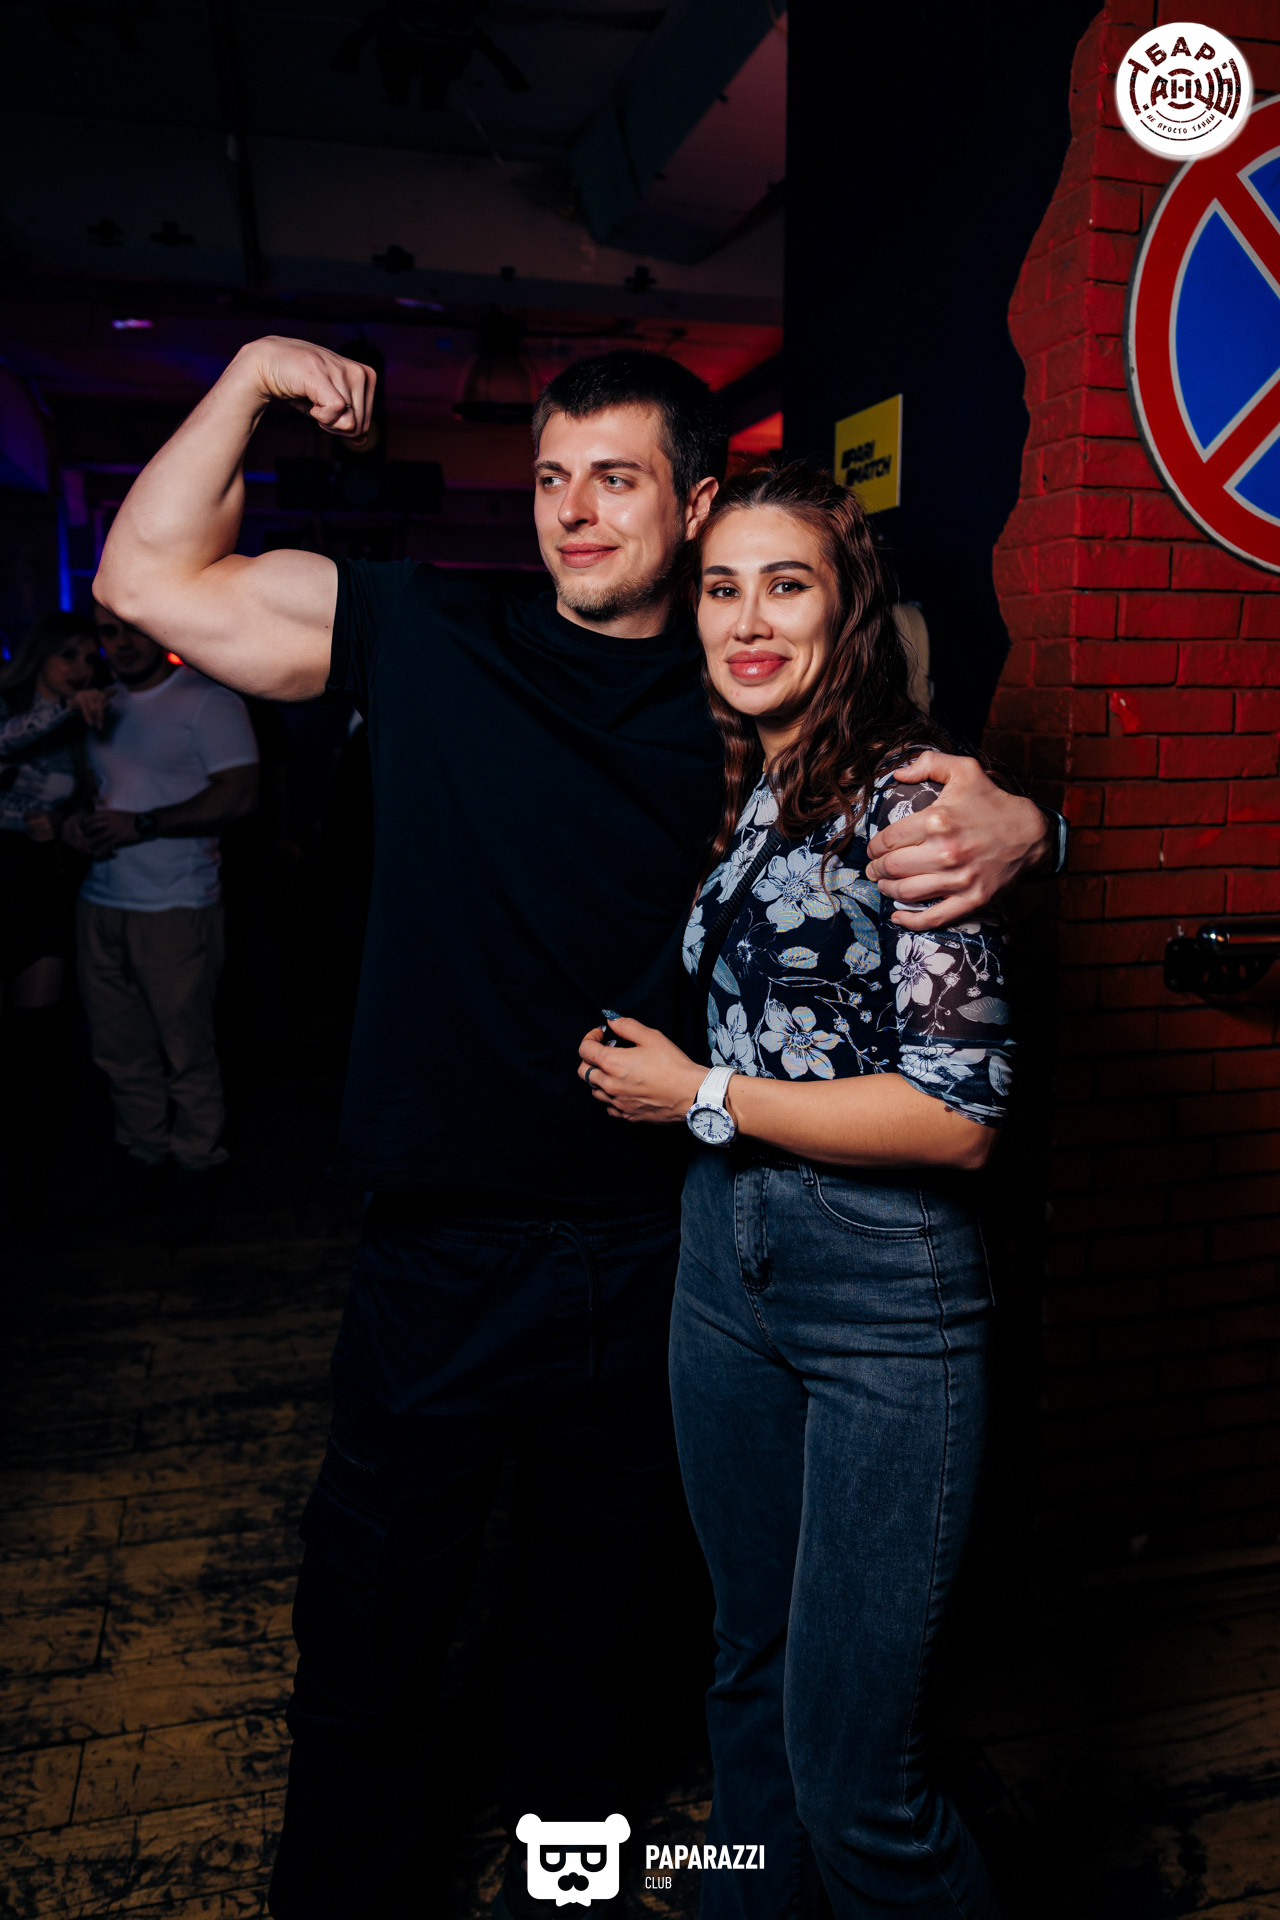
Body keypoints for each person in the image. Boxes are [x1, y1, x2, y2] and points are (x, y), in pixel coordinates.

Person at [90, 336, 1061, 1920]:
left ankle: (575, 1892)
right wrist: (255, 375)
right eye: (552, 478)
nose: (574, 511)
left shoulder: (747, 692)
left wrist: (1033, 825)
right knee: (375, 1623)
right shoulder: (426, 629)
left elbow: (910, 793)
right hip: (445, 1243)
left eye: (615, 479)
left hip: (665, 1253)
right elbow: (144, 577)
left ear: (695, 505)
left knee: (596, 1641)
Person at [576, 464, 1011, 1918]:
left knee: (855, 1780)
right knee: (747, 1674)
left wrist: (698, 1093)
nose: (747, 619)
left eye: (786, 584)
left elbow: (959, 1114)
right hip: (725, 1260)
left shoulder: (914, 796)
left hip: (882, 1289)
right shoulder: (752, 781)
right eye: (722, 587)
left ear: (849, 610)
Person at [61, 612, 259, 1241]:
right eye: (107, 632)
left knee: (186, 1050)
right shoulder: (100, 704)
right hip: (101, 900)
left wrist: (143, 824)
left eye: (131, 629)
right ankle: (143, 1157)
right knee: (119, 1051)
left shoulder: (208, 700)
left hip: (176, 906)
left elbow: (238, 795)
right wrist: (73, 826)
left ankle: (198, 1166)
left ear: (159, 630)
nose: (120, 643)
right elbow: (90, 791)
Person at [0, 611, 109, 1223]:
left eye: (89, 659)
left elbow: (82, 803)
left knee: (37, 1042)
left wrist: (66, 826)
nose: (82, 669)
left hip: (39, 882)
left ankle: (31, 1185)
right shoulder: (14, 705)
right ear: (40, 655)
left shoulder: (82, 723)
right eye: (69, 655)